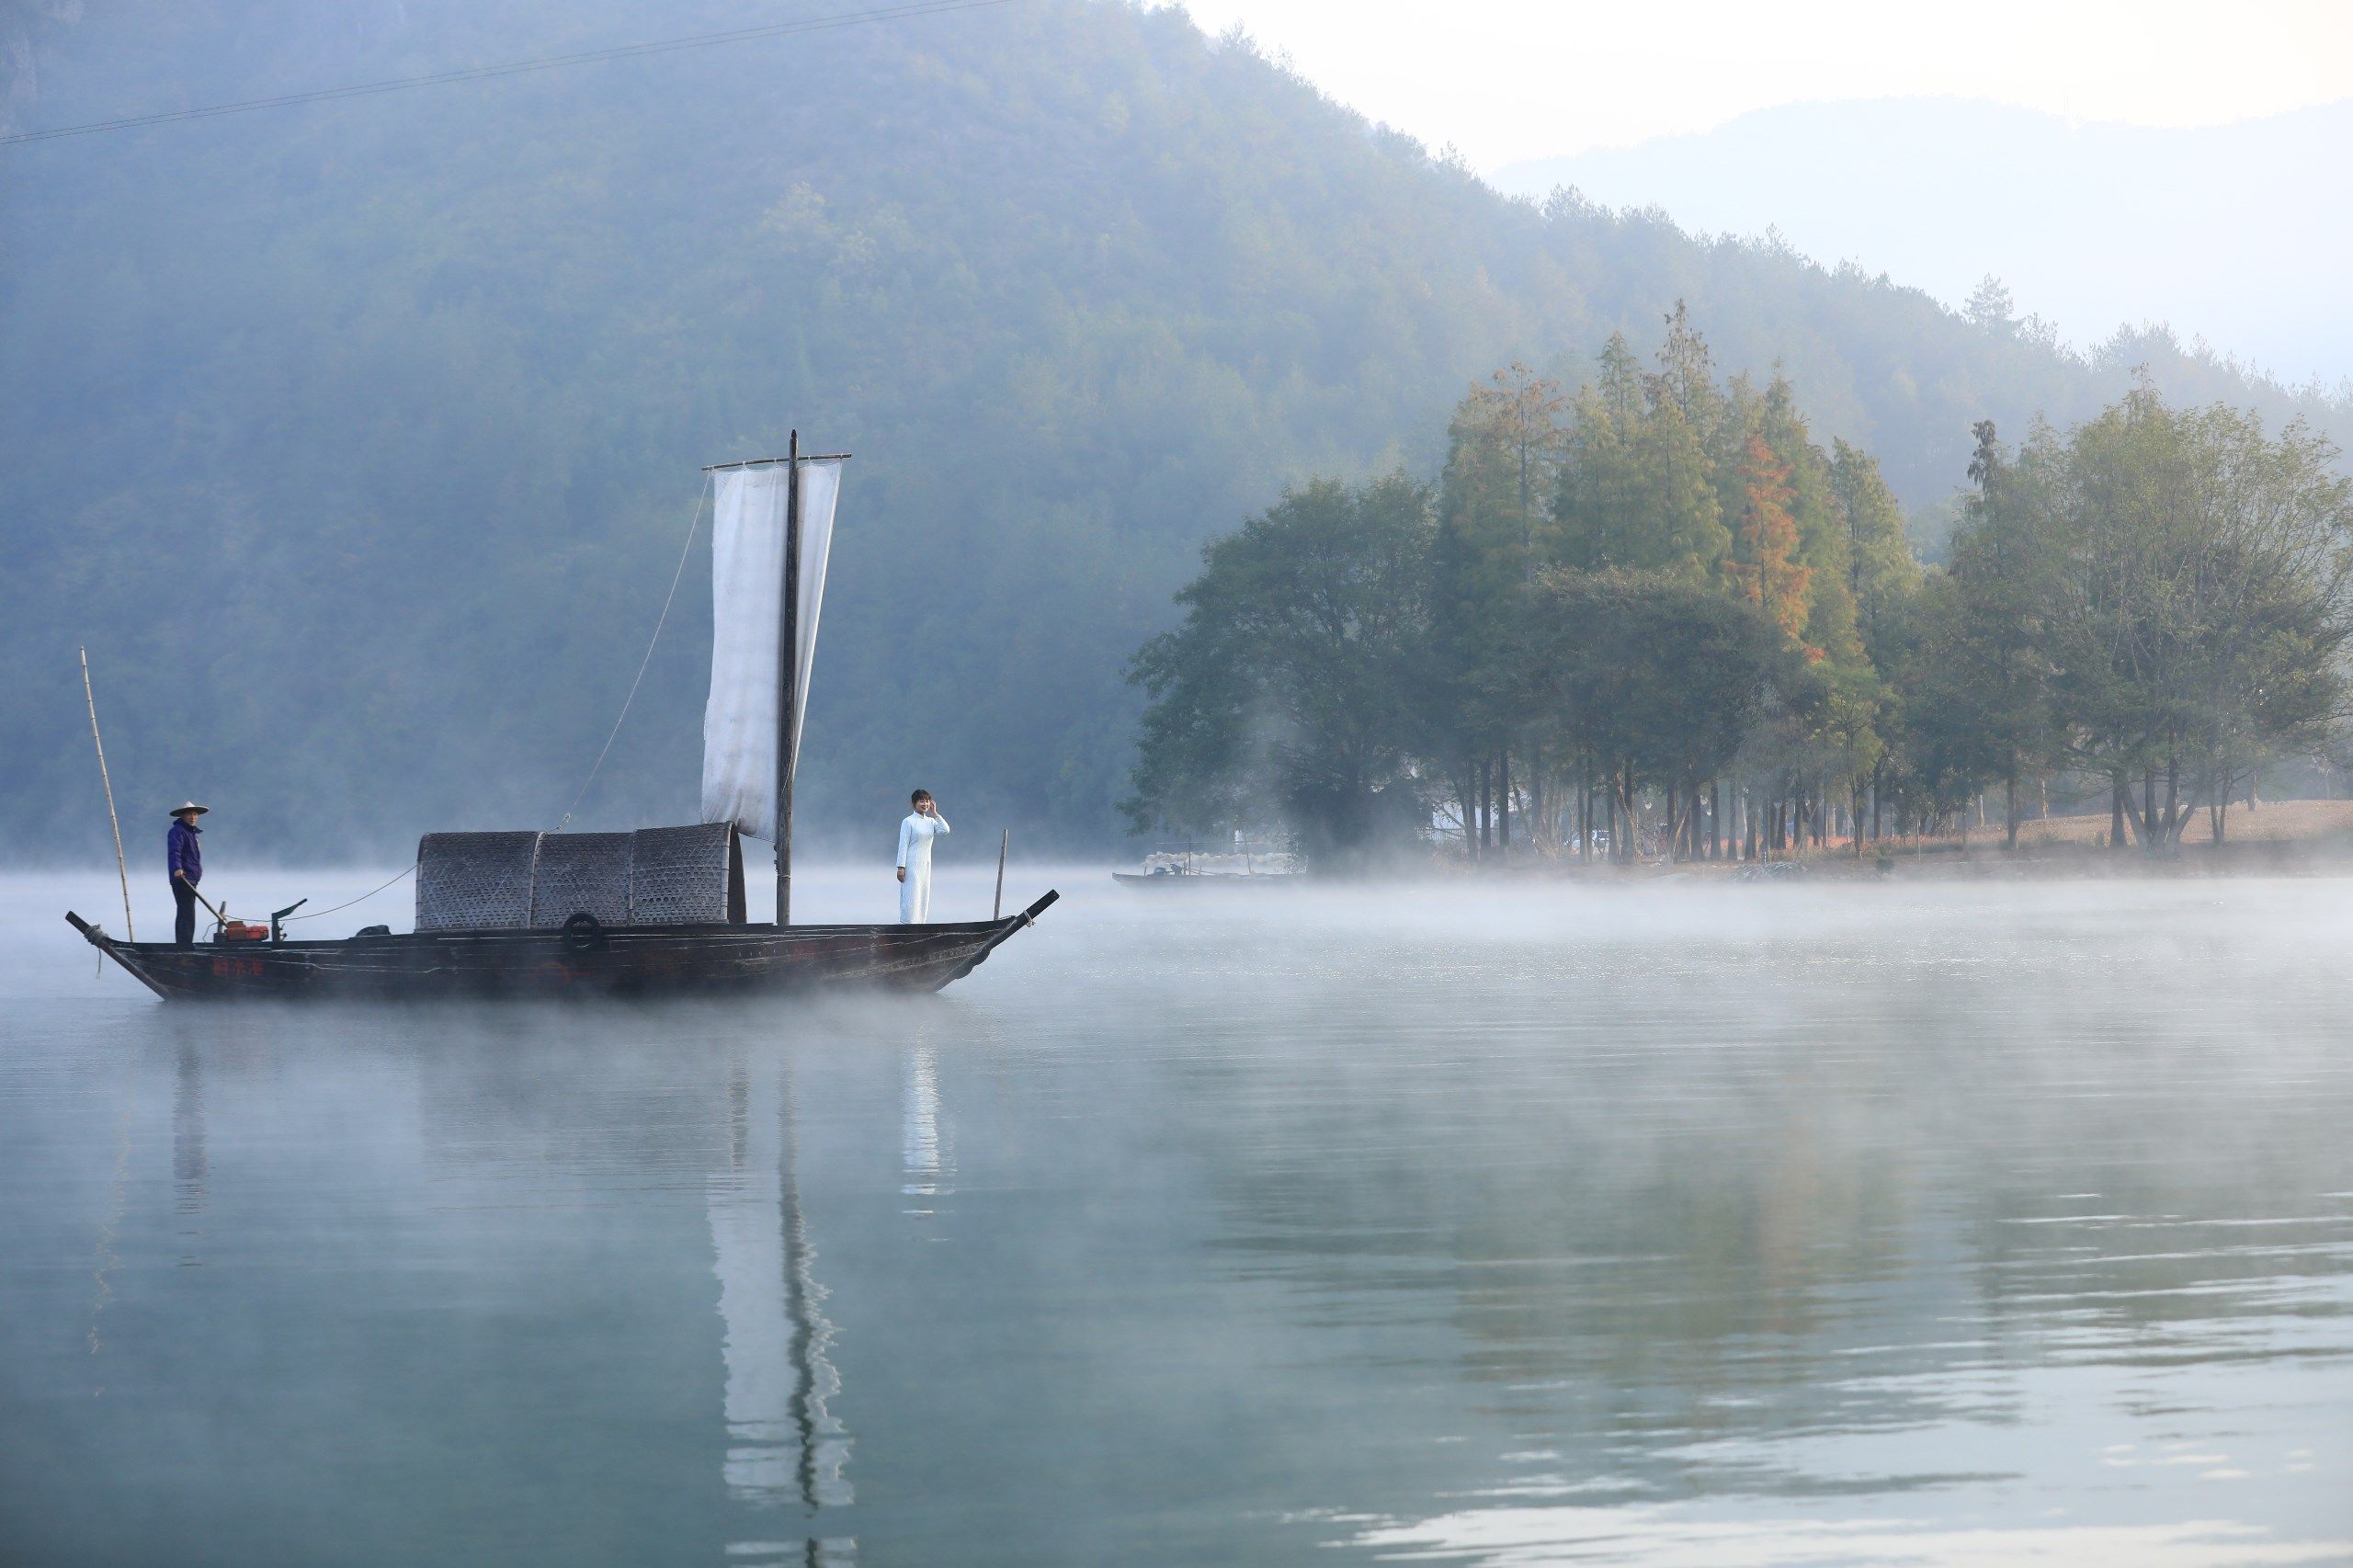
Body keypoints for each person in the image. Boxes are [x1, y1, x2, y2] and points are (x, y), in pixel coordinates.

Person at [894, 790, 949, 924]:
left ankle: (920, 926)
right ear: (914, 803)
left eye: (927, 800)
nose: (924, 803)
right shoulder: (908, 822)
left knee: (923, 896)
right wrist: (901, 867)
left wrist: (935, 814)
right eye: (921, 801)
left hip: (925, 865)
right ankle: (906, 925)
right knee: (910, 896)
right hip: (911, 865)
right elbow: (903, 845)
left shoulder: (931, 822)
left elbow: (945, 830)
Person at [166, 801, 208, 947]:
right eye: (189, 814)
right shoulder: (177, 831)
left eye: (195, 814)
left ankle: (185, 943)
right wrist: (177, 868)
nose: (193, 817)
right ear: (183, 816)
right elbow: (174, 852)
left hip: (191, 878)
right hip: (182, 878)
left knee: (188, 912)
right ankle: (184, 945)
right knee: (186, 912)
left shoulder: (192, 834)